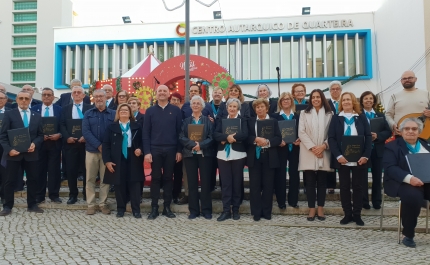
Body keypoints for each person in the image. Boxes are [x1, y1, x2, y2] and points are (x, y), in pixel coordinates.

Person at [383, 118, 430, 248]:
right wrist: (410, 179)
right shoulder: (391, 147)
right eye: (407, 129)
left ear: (419, 132)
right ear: (401, 131)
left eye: (414, 129)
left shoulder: (426, 146)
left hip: (426, 181)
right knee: (412, 197)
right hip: (402, 182)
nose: (410, 131)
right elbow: (390, 168)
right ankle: (408, 234)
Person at [328, 92, 372, 226]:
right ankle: (347, 214)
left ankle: (357, 214)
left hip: (359, 159)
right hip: (343, 159)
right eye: (344, 100)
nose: (346, 102)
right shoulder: (336, 118)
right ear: (341, 102)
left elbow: (368, 137)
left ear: (353, 102)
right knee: (345, 187)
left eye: (349, 99)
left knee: (358, 187)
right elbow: (331, 138)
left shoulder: (361, 117)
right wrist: (338, 156)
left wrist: (365, 155)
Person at [0, 90, 44, 216]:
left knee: (33, 179)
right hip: (13, 154)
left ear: (30, 100)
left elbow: (40, 135)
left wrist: (35, 144)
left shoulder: (37, 115)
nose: (24, 100)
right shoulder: (9, 114)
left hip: (31, 153)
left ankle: (32, 204)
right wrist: (9, 150)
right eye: (21, 98)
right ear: (17, 100)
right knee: (9, 180)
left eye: (26, 98)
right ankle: (7, 206)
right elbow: (2, 136)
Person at [143, 85, 182, 220]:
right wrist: (147, 151)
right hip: (155, 149)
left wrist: (179, 150)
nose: (162, 93)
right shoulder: (150, 111)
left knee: (167, 178)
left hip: (171, 149)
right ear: (156, 93)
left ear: (168, 93)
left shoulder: (176, 111)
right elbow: (146, 133)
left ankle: (167, 207)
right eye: (160, 91)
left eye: (165, 91)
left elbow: (179, 132)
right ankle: (154, 207)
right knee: (155, 178)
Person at [102, 103, 144, 218]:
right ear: (118, 113)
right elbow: (106, 145)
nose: (124, 111)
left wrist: (140, 149)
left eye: (126, 110)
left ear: (130, 113)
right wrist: (107, 161)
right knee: (119, 184)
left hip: (133, 156)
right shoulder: (112, 127)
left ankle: (136, 210)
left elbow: (142, 142)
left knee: (134, 183)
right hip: (117, 156)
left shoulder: (137, 126)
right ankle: (121, 208)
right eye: (121, 110)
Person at [298, 89, 333, 221]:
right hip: (308, 151)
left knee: (322, 182)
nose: (316, 99)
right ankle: (312, 209)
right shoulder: (303, 113)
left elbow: (332, 133)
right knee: (310, 182)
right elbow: (301, 132)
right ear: (310, 99)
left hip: (324, 150)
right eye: (313, 97)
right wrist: (313, 148)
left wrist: (323, 146)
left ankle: (320, 208)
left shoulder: (330, 114)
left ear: (322, 98)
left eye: (318, 97)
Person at [179, 95, 214, 219]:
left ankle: (206, 210)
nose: (195, 105)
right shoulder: (186, 121)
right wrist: (193, 145)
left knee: (205, 183)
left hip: (205, 154)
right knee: (192, 183)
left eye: (198, 103)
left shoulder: (207, 120)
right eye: (193, 103)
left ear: (202, 106)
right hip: (190, 155)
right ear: (191, 106)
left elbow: (211, 137)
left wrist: (201, 145)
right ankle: (193, 210)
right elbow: (182, 136)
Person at [247, 98, 282, 221]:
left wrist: (267, 141)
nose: (259, 109)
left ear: (266, 108)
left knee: (268, 185)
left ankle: (267, 212)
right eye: (257, 107)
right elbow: (247, 137)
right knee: (255, 185)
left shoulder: (273, 121)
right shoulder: (251, 122)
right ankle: (256, 212)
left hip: (269, 156)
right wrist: (255, 139)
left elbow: (278, 138)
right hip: (254, 157)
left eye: (262, 107)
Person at [213, 98, 248, 221]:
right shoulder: (222, 120)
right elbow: (215, 134)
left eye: (234, 106)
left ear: (238, 108)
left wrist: (232, 138)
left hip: (238, 155)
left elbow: (245, 134)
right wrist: (226, 137)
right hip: (223, 155)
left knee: (237, 183)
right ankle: (226, 210)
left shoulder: (242, 120)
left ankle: (236, 210)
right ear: (227, 108)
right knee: (226, 183)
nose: (232, 109)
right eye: (230, 106)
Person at [82, 89, 116, 215]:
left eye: (101, 96)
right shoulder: (88, 113)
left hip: (107, 153)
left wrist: (105, 147)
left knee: (105, 179)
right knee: (90, 179)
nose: (99, 99)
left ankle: (103, 204)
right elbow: (85, 132)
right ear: (93, 99)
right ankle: (91, 205)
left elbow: (115, 131)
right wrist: (98, 145)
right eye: (96, 96)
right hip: (91, 151)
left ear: (106, 97)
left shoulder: (113, 113)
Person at [60, 86, 92, 204]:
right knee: (71, 170)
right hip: (71, 144)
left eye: (79, 92)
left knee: (86, 170)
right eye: (74, 92)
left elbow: (92, 125)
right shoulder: (65, 109)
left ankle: (86, 193)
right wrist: (67, 137)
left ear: (84, 95)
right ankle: (73, 194)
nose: (77, 94)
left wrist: (86, 137)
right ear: (71, 95)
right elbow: (62, 124)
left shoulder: (90, 108)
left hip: (86, 144)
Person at [359, 91, 391, 209]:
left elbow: (388, 131)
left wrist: (377, 136)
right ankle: (364, 202)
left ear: (374, 101)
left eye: (371, 98)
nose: (368, 100)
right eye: (366, 98)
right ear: (362, 101)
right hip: (363, 150)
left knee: (377, 177)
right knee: (362, 177)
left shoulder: (380, 115)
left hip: (377, 150)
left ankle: (377, 202)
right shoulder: (358, 115)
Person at [31, 88, 63, 204]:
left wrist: (59, 134)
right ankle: (40, 195)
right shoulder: (34, 109)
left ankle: (54, 195)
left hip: (54, 144)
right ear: (41, 97)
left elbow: (63, 125)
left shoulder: (60, 110)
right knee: (40, 170)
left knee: (54, 170)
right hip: (40, 145)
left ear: (53, 97)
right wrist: (39, 137)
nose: (46, 97)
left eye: (49, 95)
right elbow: (32, 126)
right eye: (44, 95)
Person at [270, 92, 300, 209]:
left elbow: (302, 131)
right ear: (280, 102)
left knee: (294, 174)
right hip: (280, 148)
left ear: (291, 101)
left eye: (288, 99)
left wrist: (299, 139)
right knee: (280, 175)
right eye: (283, 99)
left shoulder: (297, 116)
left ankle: (293, 200)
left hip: (295, 148)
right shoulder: (275, 116)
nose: (286, 101)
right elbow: (272, 133)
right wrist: (278, 141)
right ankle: (281, 202)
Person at [385, 71, 430, 136]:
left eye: (410, 78)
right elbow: (388, 114)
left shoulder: (426, 94)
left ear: (415, 79)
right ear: (401, 81)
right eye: (404, 78)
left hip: (423, 134)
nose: (407, 80)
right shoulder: (394, 96)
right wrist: (393, 125)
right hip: (401, 134)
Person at [326, 81, 342, 194]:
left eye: (337, 89)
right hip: (329, 134)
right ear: (330, 91)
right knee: (330, 160)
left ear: (340, 91)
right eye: (333, 89)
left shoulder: (345, 102)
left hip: (343, 136)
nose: (335, 91)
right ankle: (330, 185)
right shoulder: (325, 104)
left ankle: (343, 183)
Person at [168, 92, 184, 204]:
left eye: (177, 100)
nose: (175, 102)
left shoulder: (183, 113)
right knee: (168, 173)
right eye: (173, 99)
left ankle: (176, 194)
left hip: (180, 147)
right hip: (167, 147)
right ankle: (167, 194)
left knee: (178, 173)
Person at [0, 91, 11, 203]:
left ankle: (4, 196)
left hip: (5, 146)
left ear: (6, 100)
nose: (0, 100)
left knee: (5, 171)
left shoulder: (10, 112)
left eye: (2, 98)